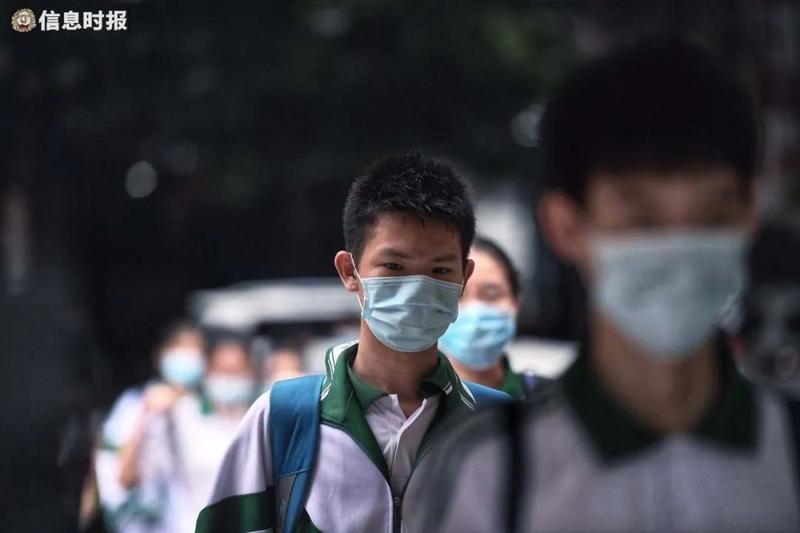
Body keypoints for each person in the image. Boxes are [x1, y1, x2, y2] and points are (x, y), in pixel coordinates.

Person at [417, 39, 800, 532]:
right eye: (640, 218)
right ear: (566, 227)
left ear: (748, 215)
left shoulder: (789, 450)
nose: (678, 247)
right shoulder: (490, 475)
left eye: (709, 215)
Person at [196, 151, 510, 533]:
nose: (417, 288)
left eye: (440, 269)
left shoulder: (505, 428)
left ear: (463, 277)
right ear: (349, 271)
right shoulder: (282, 420)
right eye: (394, 266)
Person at [133, 330, 257, 532]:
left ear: (251, 373)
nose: (229, 379)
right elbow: (134, 476)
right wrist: (148, 413)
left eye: (236, 371)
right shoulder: (183, 413)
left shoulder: (262, 420)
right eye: (222, 371)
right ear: (207, 371)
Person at [96, 321, 206, 532]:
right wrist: (147, 415)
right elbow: (123, 476)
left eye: (194, 350)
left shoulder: (206, 410)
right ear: (159, 356)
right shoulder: (133, 404)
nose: (186, 358)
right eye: (179, 349)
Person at [439, 235, 543, 399]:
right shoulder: (409, 405)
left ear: (516, 303)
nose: (474, 310)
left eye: (491, 294)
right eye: (456, 296)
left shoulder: (546, 399)